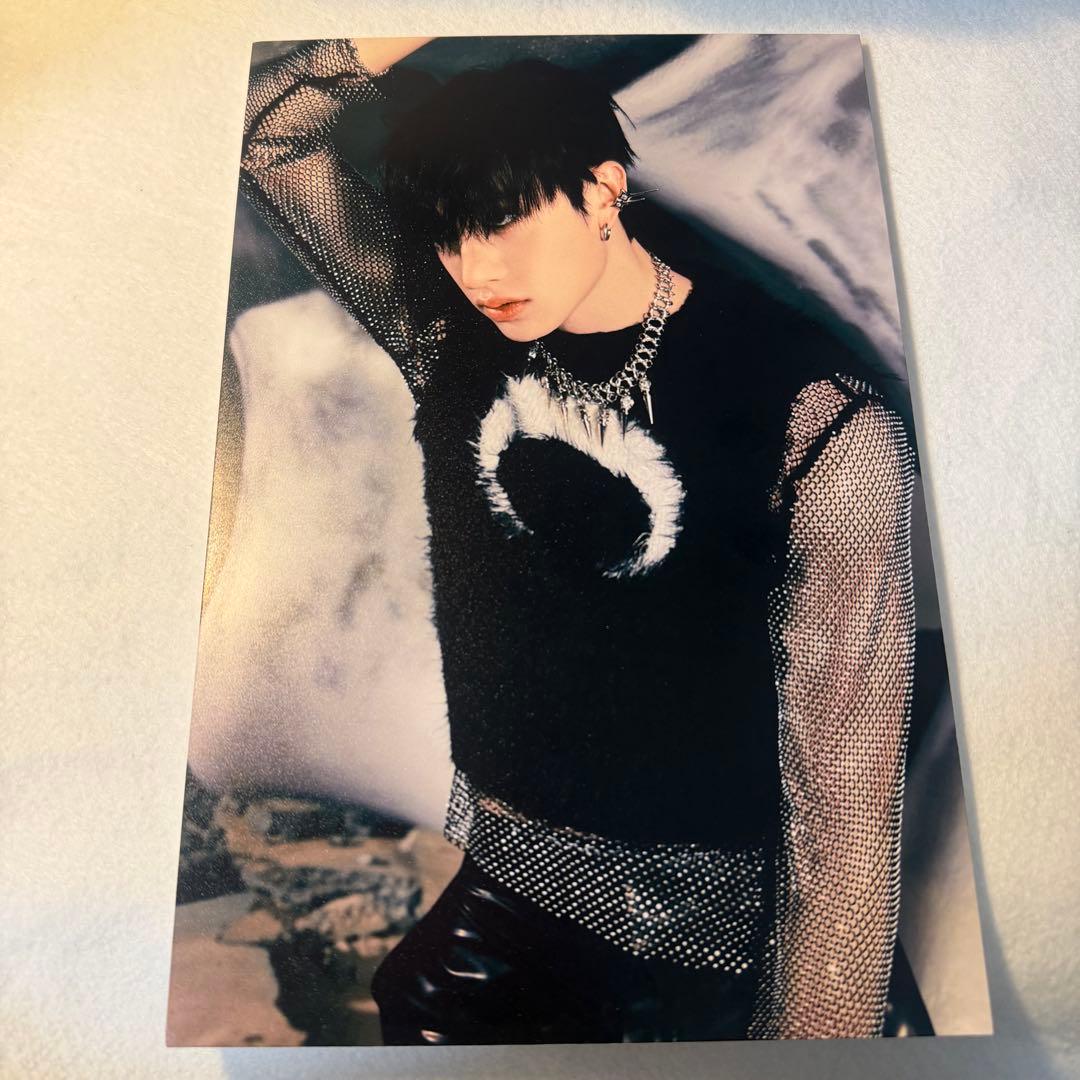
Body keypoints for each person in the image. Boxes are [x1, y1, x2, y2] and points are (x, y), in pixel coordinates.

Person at [238, 36, 918, 1043]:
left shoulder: (817, 419)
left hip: (718, 944)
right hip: (512, 892)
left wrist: (810, 1035)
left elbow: (845, 807)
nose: (478, 269)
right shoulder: (448, 334)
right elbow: (273, 129)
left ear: (603, 191)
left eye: (502, 221)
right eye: (447, 237)